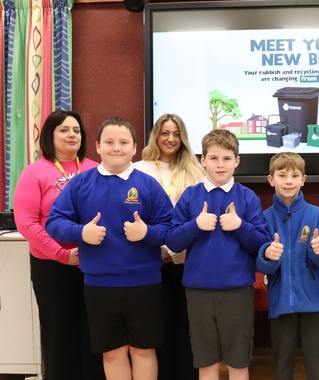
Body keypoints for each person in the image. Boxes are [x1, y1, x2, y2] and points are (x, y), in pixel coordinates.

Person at [45, 117, 173, 380]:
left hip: (144, 284)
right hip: (99, 285)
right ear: (97, 147)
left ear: (135, 148)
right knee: (112, 352)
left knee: (143, 350)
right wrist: (81, 232)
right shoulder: (80, 184)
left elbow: (171, 228)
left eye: (124, 142)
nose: (117, 148)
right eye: (110, 142)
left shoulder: (148, 184)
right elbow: (54, 223)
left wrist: (147, 233)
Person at [165, 129, 271, 380]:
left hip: (237, 293)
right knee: (206, 363)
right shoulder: (191, 196)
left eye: (226, 158)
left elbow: (261, 245)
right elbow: (172, 241)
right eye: (213, 158)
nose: (220, 164)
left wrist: (240, 226)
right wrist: (195, 225)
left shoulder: (248, 197)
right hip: (198, 292)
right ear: (203, 160)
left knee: (238, 363)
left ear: (237, 161)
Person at [13, 110, 105, 380]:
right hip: (51, 266)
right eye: (64, 130)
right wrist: (62, 255)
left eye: (76, 130)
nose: (72, 135)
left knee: (94, 331)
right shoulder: (34, 173)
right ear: (49, 136)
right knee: (58, 332)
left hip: (94, 264)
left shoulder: (95, 169)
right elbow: (27, 223)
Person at [134, 113, 204, 380]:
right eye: (165, 133)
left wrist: (175, 249)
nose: (171, 139)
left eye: (176, 133)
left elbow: (199, 216)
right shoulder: (140, 169)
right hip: (150, 259)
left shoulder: (196, 170)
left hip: (186, 259)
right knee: (157, 326)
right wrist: (159, 246)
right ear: (156, 135)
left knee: (186, 326)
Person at [256, 152, 319, 380]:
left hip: (312, 302)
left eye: (294, 175)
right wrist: (268, 255)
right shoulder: (265, 218)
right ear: (271, 180)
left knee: (317, 366)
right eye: (282, 175)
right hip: (280, 303)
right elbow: (264, 267)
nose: (288, 181)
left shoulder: (316, 215)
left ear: (303, 179)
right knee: (282, 365)